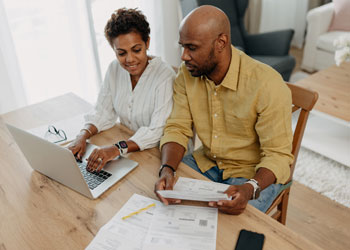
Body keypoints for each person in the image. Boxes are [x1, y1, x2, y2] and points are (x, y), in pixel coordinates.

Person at [154, 5, 294, 215]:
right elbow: (177, 128)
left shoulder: (267, 84)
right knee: (161, 201)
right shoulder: (187, 73)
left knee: (228, 232)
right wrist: (167, 169)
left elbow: (278, 156)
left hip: (252, 175)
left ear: (221, 43)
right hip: (206, 162)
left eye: (192, 48)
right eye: (182, 46)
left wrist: (250, 188)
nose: (183, 56)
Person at [69, 8, 175, 173]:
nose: (130, 59)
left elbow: (157, 131)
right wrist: (82, 136)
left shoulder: (164, 76)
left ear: (147, 43)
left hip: (160, 158)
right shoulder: (114, 69)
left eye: (136, 50)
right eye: (121, 53)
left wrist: (116, 148)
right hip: (131, 153)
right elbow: (103, 112)